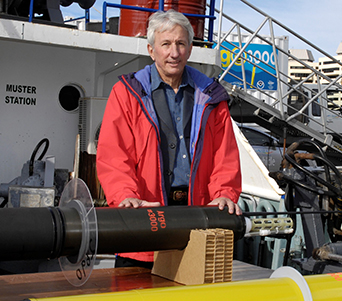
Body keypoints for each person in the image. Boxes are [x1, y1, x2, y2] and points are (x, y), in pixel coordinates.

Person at [96, 9, 242, 268]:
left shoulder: (211, 96)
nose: (174, 53)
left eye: (180, 44)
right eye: (166, 44)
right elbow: (114, 155)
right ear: (152, 50)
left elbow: (225, 155)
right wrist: (124, 196)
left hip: (196, 223)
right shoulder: (127, 93)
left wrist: (224, 194)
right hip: (143, 223)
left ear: (190, 48)